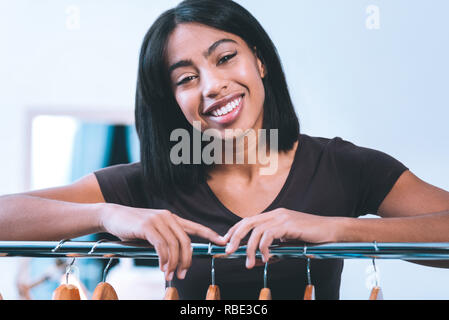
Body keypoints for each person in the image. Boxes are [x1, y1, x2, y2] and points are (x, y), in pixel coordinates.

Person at [1, 0, 449, 299]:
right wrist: (106, 214)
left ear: (259, 60)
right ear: (171, 102)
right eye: (186, 78)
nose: (213, 86)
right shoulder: (148, 183)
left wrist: (339, 230)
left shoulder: (343, 167)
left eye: (224, 57)